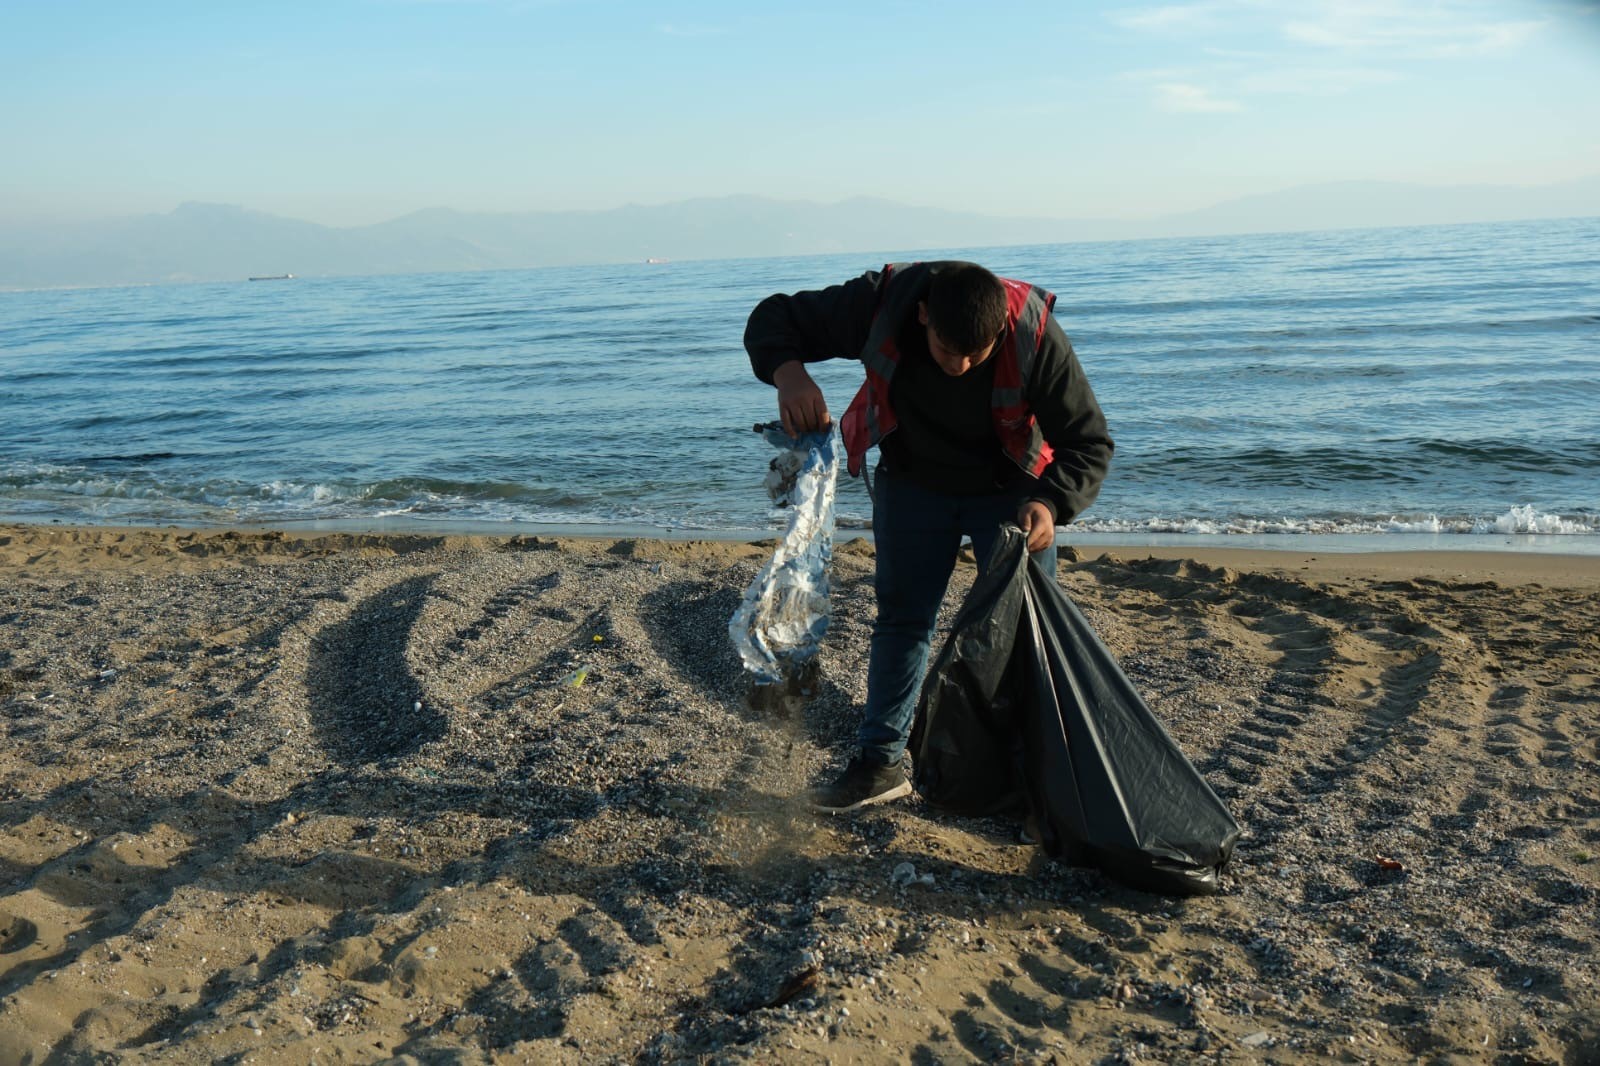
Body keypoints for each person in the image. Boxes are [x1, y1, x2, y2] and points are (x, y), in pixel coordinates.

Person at [744, 261, 1113, 813]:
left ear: (1001, 332)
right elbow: (772, 318)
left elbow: (1089, 442)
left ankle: (1038, 778)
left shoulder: (1035, 334)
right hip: (913, 480)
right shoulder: (880, 304)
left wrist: (1050, 502)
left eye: (977, 353)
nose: (961, 365)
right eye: (946, 349)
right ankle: (880, 763)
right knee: (903, 620)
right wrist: (790, 374)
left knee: (1025, 630)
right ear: (922, 317)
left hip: (1011, 491)